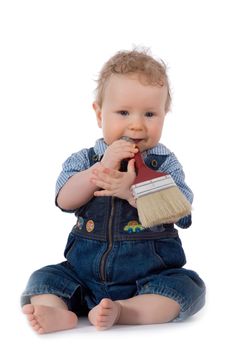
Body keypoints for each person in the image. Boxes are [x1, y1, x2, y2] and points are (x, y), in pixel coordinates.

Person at [21, 49, 206, 334]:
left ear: (164, 115)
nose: (136, 124)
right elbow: (64, 200)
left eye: (150, 114)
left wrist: (132, 191)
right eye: (123, 112)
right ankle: (58, 312)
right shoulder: (85, 160)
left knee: (188, 286)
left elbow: (182, 213)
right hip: (83, 274)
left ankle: (126, 311)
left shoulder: (166, 164)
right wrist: (100, 170)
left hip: (149, 278)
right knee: (44, 277)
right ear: (99, 114)